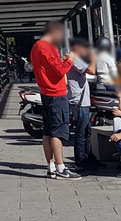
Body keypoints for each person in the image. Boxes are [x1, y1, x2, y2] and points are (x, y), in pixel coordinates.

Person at [29, 20, 79, 180]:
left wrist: (62, 60)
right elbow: (59, 71)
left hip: (45, 92)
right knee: (58, 130)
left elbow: (48, 68)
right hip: (56, 93)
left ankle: (51, 166)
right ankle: (61, 167)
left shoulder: (36, 47)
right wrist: (70, 59)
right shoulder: (48, 47)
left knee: (48, 131)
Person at [66, 38, 99, 170]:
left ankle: (88, 156)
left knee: (87, 131)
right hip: (79, 101)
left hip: (82, 100)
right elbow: (92, 70)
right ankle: (81, 160)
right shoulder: (74, 58)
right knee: (81, 132)